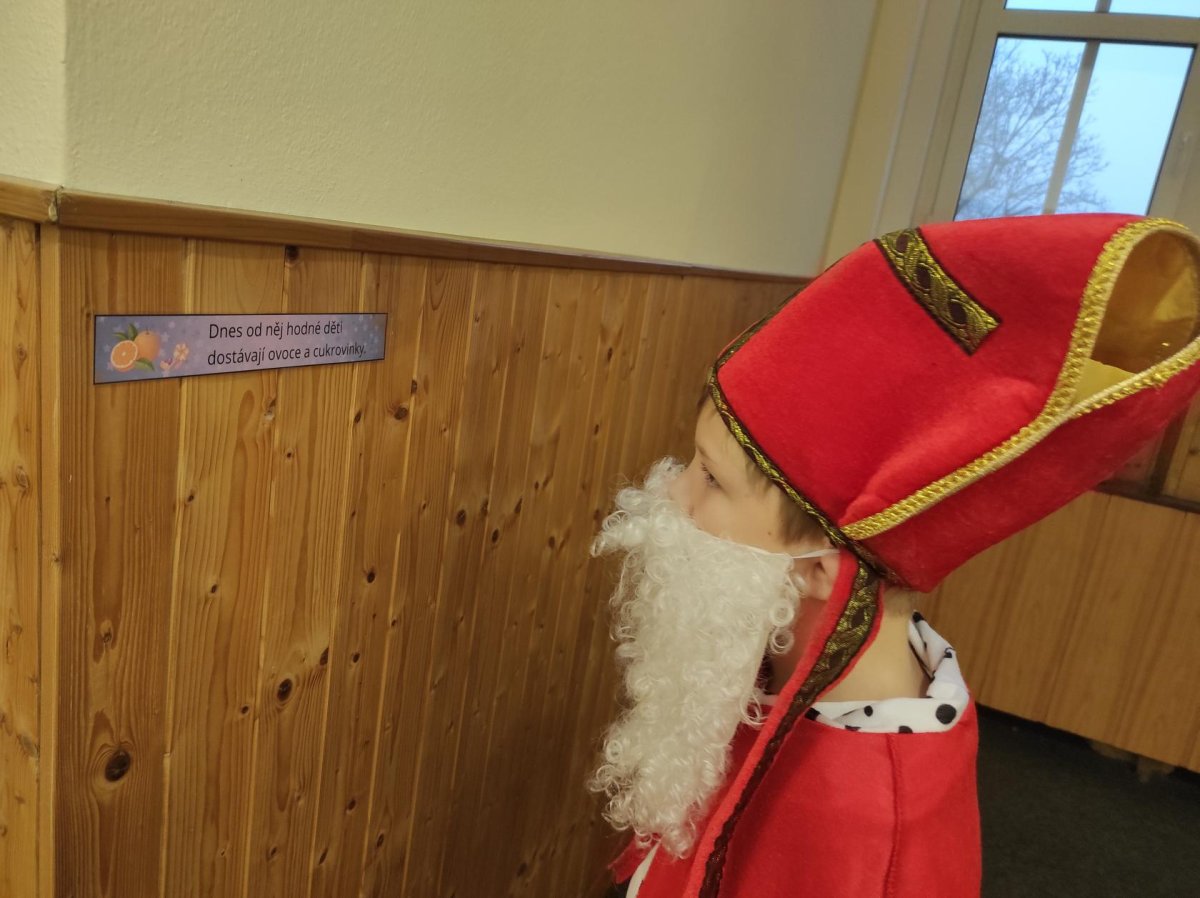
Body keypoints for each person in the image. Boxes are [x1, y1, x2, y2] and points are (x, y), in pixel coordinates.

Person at [587, 213, 1200, 897]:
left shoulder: (867, 833)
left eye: (709, 478)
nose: (672, 496)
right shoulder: (777, 656)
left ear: (819, 568)